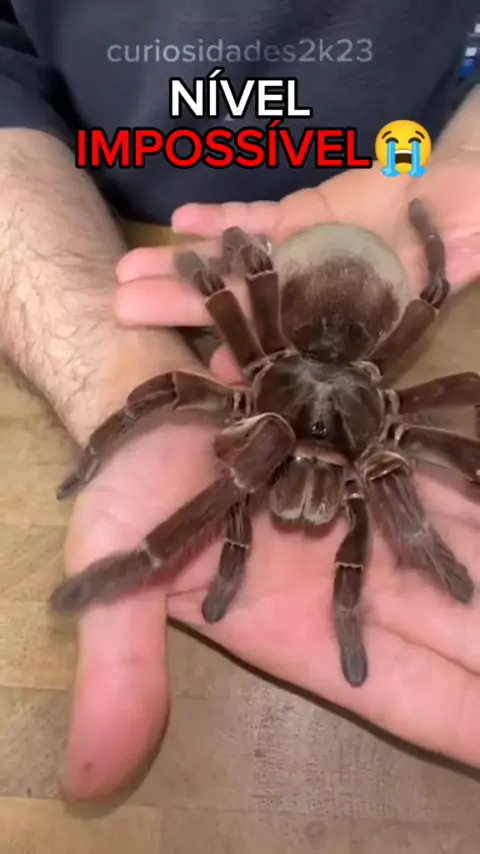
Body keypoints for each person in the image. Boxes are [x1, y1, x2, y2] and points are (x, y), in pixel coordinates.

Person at [0, 0, 480, 800]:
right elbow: (209, 303)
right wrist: (108, 367)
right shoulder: (266, 373)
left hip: (414, 154)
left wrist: (466, 156)